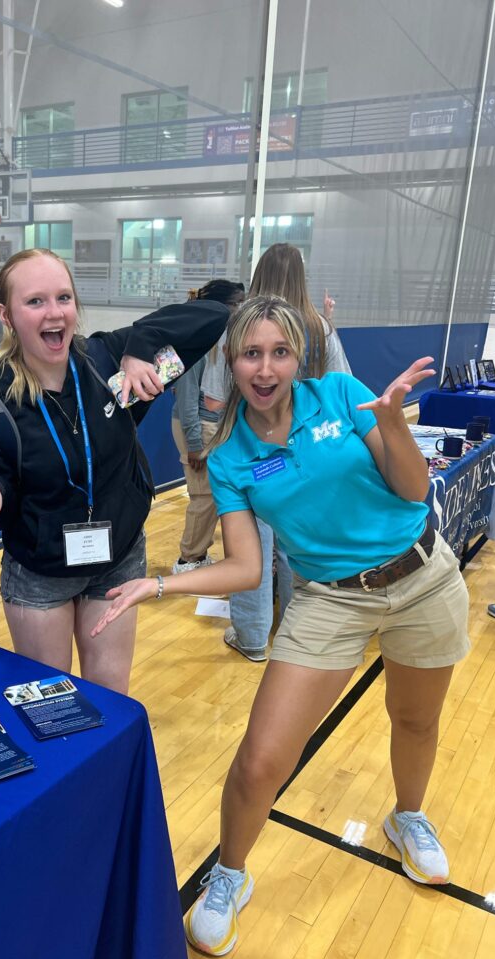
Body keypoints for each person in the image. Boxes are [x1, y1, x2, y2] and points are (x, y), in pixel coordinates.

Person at [91, 295, 471, 955]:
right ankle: (230, 874)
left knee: (415, 720)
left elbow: (413, 491)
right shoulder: (231, 458)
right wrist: (159, 583)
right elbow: (243, 567)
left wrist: (393, 425)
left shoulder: (343, 396)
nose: (265, 368)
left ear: (298, 357)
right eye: (250, 353)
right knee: (260, 759)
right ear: (230, 361)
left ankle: (408, 817)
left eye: (279, 352)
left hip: (423, 578)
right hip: (330, 600)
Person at [0, 248, 228, 694]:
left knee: (109, 698)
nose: (54, 312)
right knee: (49, 705)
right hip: (42, 571)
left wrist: (140, 347)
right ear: (7, 315)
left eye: (64, 298)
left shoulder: (110, 363)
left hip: (117, 560)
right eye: (35, 301)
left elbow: (214, 316)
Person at [223, 243, 353, 660]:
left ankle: (253, 637)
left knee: (249, 548)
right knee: (295, 543)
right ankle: (298, 631)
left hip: (252, 450)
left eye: (281, 353)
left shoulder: (238, 328)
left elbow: (215, 392)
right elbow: (342, 384)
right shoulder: (320, 328)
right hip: (308, 455)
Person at [171, 280, 245, 574]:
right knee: (203, 497)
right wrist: (194, 444)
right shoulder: (197, 341)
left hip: (211, 426)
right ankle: (188, 560)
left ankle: (197, 555)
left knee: (211, 496)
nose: (241, 308)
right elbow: (187, 397)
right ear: (219, 306)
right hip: (197, 427)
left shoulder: (220, 339)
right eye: (236, 303)